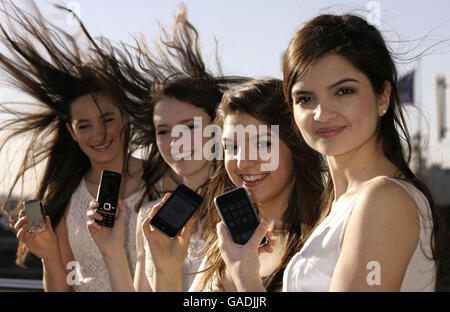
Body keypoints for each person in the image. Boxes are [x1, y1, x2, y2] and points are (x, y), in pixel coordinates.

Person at [216, 13, 449, 291]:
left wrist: (245, 277)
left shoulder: (385, 200)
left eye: (343, 91)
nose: (322, 113)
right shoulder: (339, 206)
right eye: (305, 98)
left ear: (383, 96)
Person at [86, 5, 244, 291]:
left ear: (217, 128)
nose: (175, 142)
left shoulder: (243, 213)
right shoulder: (150, 216)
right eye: (164, 131)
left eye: (189, 127)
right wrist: (112, 249)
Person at [0, 2, 153, 291]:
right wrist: (48, 255)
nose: (98, 134)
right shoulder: (67, 197)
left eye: (107, 119)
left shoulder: (160, 179)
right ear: (71, 131)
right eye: (84, 126)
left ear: (124, 118)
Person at [145, 78, 325, 292]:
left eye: (262, 143)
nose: (242, 162)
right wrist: (166, 269)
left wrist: (245, 277)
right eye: (232, 146)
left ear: (297, 145)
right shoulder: (226, 244)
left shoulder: (322, 243)